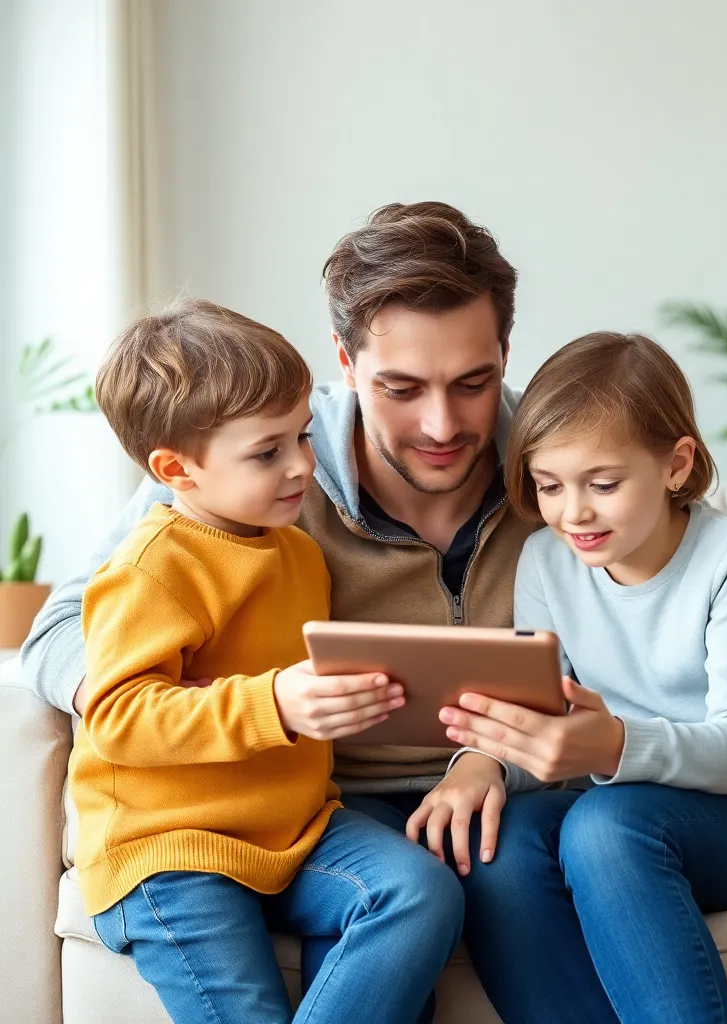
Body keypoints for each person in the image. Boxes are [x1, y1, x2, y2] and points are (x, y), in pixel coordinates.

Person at [68, 299, 463, 1024]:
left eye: (303, 437)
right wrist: (274, 702)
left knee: (419, 891)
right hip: (170, 851)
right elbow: (117, 717)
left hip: (293, 829)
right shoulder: (153, 568)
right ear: (175, 469)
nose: (303, 466)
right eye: (267, 451)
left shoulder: (297, 553)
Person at [435, 332, 727, 1024]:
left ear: (677, 465)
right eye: (549, 486)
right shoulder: (546, 561)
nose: (574, 513)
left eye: (603, 484)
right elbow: (540, 720)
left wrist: (615, 745)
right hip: (624, 808)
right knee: (498, 840)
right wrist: (481, 764)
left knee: (605, 823)